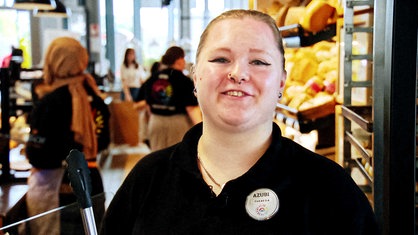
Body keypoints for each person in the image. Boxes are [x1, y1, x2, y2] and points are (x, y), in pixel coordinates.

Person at [99, 9, 378, 234]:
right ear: (195, 77)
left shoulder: (329, 189)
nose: (238, 73)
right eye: (221, 58)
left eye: (258, 62)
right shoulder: (148, 179)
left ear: (281, 80)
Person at [25, 37, 110, 234]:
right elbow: (103, 141)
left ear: (55, 60)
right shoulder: (95, 97)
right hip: (93, 182)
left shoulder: (50, 102)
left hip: (59, 190)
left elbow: (38, 155)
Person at [134, 46, 202, 151]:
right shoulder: (184, 80)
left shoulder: (153, 78)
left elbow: (140, 104)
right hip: (177, 124)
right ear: (179, 60)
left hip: (155, 121)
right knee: (176, 158)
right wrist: (201, 131)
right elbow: (191, 109)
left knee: (158, 158)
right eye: (183, 58)